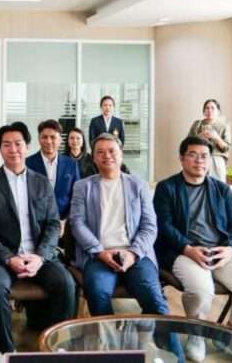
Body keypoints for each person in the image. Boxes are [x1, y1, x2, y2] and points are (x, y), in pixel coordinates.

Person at [154, 136, 232, 361]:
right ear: (182, 158)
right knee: (201, 290)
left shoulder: (222, 189)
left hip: (221, 252)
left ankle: (230, 337)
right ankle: (196, 334)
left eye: (204, 156)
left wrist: (231, 249)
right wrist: (188, 249)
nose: (199, 161)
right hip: (184, 252)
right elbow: (164, 226)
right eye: (193, 155)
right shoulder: (167, 188)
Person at [0, 121, 76, 361]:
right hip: (1, 257)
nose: (13, 149)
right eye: (6, 145)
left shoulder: (41, 182)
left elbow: (53, 224)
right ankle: (7, 350)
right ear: (0, 149)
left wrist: (40, 257)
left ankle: (55, 346)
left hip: (37, 254)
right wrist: (9, 258)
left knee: (66, 284)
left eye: (18, 144)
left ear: (27, 146)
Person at [69, 133, 167, 317]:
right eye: (100, 152)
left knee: (155, 299)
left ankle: (162, 337)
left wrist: (133, 253)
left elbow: (149, 225)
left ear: (121, 154)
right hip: (98, 255)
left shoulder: (139, 185)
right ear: (94, 158)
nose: (107, 156)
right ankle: (110, 336)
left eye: (112, 151)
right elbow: (77, 223)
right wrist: (99, 252)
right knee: (98, 294)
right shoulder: (82, 186)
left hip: (136, 254)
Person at [25, 119, 80, 220]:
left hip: (63, 222)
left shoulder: (71, 164)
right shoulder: (27, 164)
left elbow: (77, 196)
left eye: (53, 137)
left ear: (60, 140)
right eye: (44, 137)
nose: (48, 141)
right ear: (39, 139)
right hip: (35, 222)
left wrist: (64, 220)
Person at [188, 99, 232, 181]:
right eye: (207, 108)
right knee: (197, 184)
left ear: (218, 111)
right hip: (198, 158)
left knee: (216, 185)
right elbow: (187, 143)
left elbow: (226, 148)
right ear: (203, 111)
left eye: (212, 108)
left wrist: (216, 137)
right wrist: (199, 137)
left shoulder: (224, 126)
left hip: (216, 159)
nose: (209, 110)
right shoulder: (197, 124)